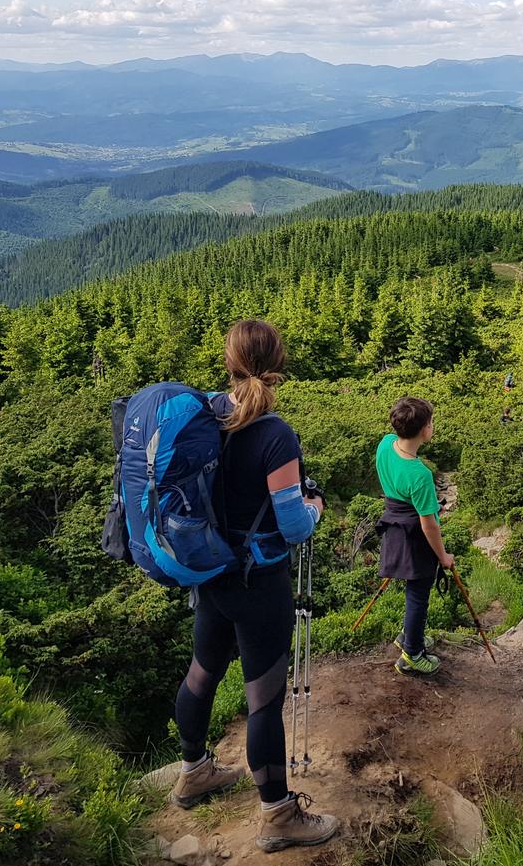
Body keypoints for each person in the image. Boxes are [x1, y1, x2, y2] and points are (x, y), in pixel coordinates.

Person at [168, 319, 339, 852]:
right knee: (263, 700)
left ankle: (194, 770)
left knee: (202, 673)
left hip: (211, 573)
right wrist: (315, 507)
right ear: (278, 364)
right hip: (260, 582)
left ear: (229, 361)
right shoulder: (275, 433)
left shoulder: (205, 418)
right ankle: (278, 816)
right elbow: (292, 526)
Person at [375, 396, 453, 676]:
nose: (433, 426)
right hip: (414, 538)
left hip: (393, 526)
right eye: (431, 422)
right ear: (424, 430)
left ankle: (410, 637)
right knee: (418, 594)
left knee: (413, 593)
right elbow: (429, 525)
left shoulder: (385, 444)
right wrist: (443, 557)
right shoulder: (419, 474)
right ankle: (413, 654)